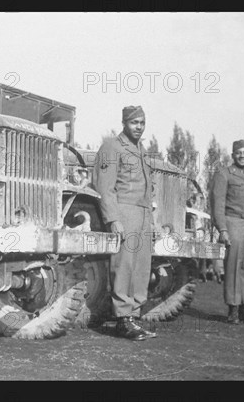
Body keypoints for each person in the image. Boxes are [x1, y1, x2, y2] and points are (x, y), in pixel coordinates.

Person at [94, 106, 156, 341]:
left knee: (141, 269)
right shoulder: (112, 147)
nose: (139, 127)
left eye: (142, 122)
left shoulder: (141, 150)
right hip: (124, 212)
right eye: (134, 123)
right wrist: (113, 219)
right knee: (123, 266)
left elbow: (147, 189)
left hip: (143, 215)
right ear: (124, 123)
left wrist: (152, 219)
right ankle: (122, 319)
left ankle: (134, 317)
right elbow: (105, 187)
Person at [211, 140, 244, 324]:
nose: (242, 156)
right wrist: (222, 228)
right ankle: (233, 309)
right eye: (238, 153)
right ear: (232, 155)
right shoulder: (224, 174)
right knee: (233, 266)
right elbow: (218, 203)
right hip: (234, 221)